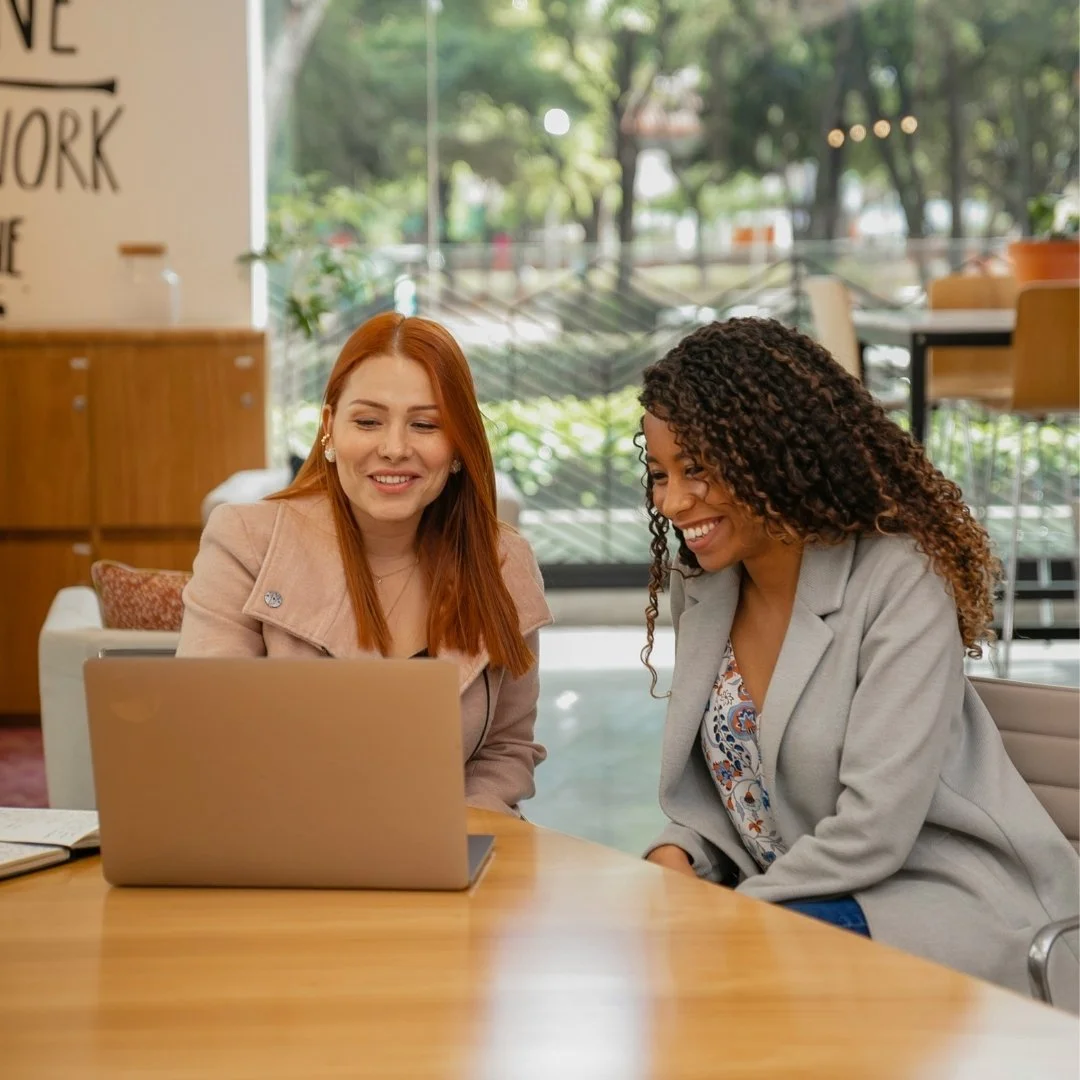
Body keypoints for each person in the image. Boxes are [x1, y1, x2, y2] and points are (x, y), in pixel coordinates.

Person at [638, 316, 1079, 1003]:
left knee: (722, 981)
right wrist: (676, 856)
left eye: (697, 468)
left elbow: (874, 829)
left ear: (767, 449)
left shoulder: (899, 581)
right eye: (660, 474)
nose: (672, 501)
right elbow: (735, 787)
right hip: (794, 897)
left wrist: (734, 910)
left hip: (934, 899)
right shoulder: (706, 587)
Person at [178, 313, 551, 816]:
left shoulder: (503, 562)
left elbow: (506, 749)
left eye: (425, 424)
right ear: (329, 429)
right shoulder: (245, 542)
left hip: (450, 858)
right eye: (368, 421)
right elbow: (208, 735)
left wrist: (456, 840)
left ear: (458, 445)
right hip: (283, 852)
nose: (394, 449)